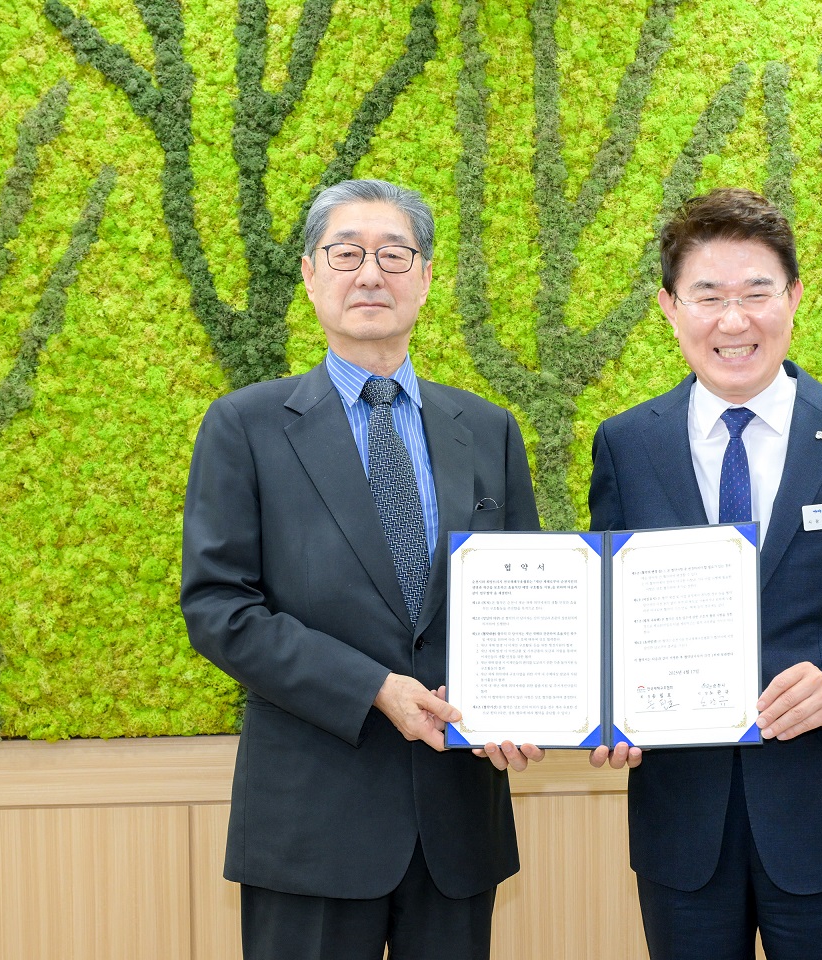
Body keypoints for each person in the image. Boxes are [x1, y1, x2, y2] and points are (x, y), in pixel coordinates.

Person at [588, 187, 822, 960]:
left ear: (793, 298)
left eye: (756, 293)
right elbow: (608, 613)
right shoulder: (626, 444)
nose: (734, 320)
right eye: (708, 296)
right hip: (681, 829)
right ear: (669, 307)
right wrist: (605, 709)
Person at [181, 178, 542, 960]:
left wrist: (528, 707)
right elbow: (219, 609)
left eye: (394, 254)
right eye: (346, 254)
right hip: (310, 827)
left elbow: (525, 599)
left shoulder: (486, 429)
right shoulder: (244, 426)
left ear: (426, 276)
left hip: (457, 822)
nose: (370, 274)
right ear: (310, 274)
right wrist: (374, 689)